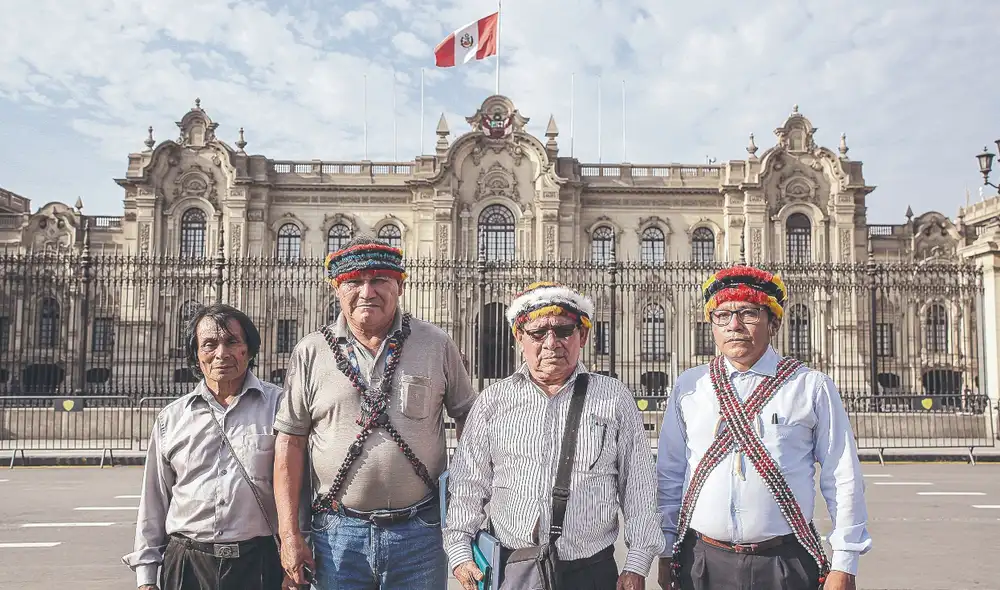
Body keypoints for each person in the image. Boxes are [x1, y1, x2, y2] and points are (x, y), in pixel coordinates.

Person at [273, 236, 477, 590]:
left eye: (379, 279)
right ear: (338, 288)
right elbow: (289, 445)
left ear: (399, 286)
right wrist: (290, 536)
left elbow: (471, 424)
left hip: (421, 534)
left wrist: (464, 515)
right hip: (337, 535)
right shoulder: (311, 351)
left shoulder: (435, 343)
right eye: (354, 281)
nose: (367, 291)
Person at [656, 265, 872, 590]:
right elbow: (669, 474)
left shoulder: (810, 387)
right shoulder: (691, 387)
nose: (734, 325)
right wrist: (665, 550)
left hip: (784, 562)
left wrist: (844, 561)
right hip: (700, 560)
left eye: (748, 313)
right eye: (722, 315)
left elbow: (842, 478)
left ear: (774, 322)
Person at [445, 282, 665, 590]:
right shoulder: (494, 401)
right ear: (519, 337)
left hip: (590, 570)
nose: (552, 343)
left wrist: (637, 562)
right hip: (514, 568)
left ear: (583, 336)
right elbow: (469, 482)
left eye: (563, 331)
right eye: (538, 333)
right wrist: (459, 550)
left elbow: (638, 486)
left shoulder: (613, 398)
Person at [123, 303, 290, 590]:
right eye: (209, 344)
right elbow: (154, 500)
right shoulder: (172, 418)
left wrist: (295, 562)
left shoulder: (280, 408)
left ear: (248, 350)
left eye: (232, 342)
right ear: (197, 355)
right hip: (187, 564)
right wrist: (146, 577)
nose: (221, 353)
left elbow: (299, 492)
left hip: (258, 562)